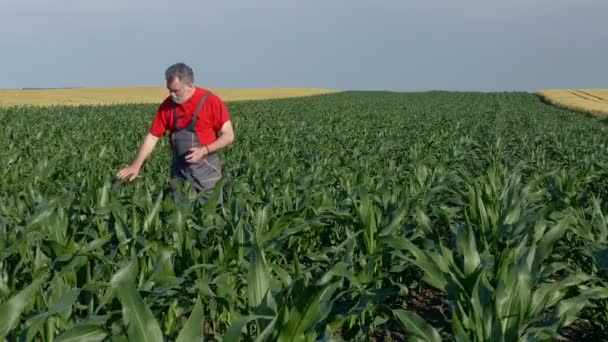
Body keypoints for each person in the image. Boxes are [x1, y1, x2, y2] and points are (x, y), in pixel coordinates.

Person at [116, 62, 235, 206]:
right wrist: (136, 165)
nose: (171, 95)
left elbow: (229, 135)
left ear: (190, 85)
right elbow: (152, 137)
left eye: (176, 90)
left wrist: (204, 150)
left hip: (207, 173)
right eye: (169, 90)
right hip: (179, 173)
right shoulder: (167, 106)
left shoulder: (210, 101)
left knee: (210, 218)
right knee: (179, 219)